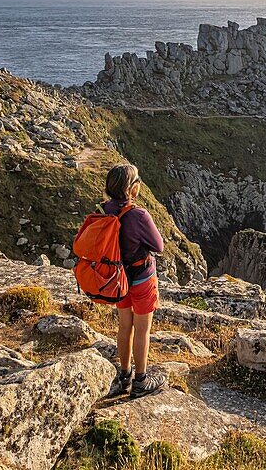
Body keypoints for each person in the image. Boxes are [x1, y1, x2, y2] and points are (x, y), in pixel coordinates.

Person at [101, 163, 166, 398]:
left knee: (123, 326)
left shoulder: (105, 210)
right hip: (141, 279)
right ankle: (141, 381)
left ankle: (124, 375)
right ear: (133, 188)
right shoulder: (138, 215)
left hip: (119, 280)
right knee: (142, 330)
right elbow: (158, 246)